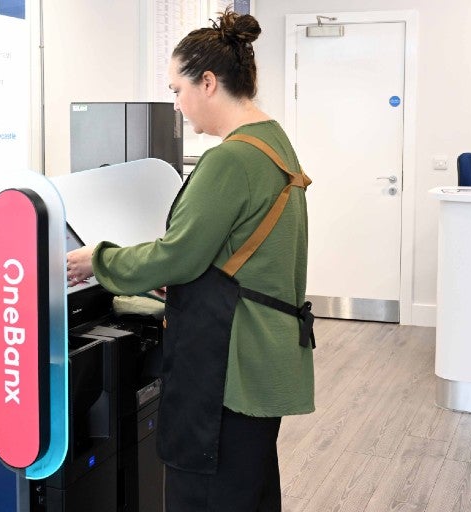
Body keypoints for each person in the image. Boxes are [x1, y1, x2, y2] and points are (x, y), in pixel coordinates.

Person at [65, 9, 314, 512]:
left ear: (207, 82)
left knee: (206, 493)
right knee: (252, 485)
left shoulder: (230, 159)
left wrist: (100, 259)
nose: (176, 105)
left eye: (177, 89)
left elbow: (177, 254)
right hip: (265, 352)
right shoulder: (272, 141)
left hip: (229, 360)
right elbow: (234, 251)